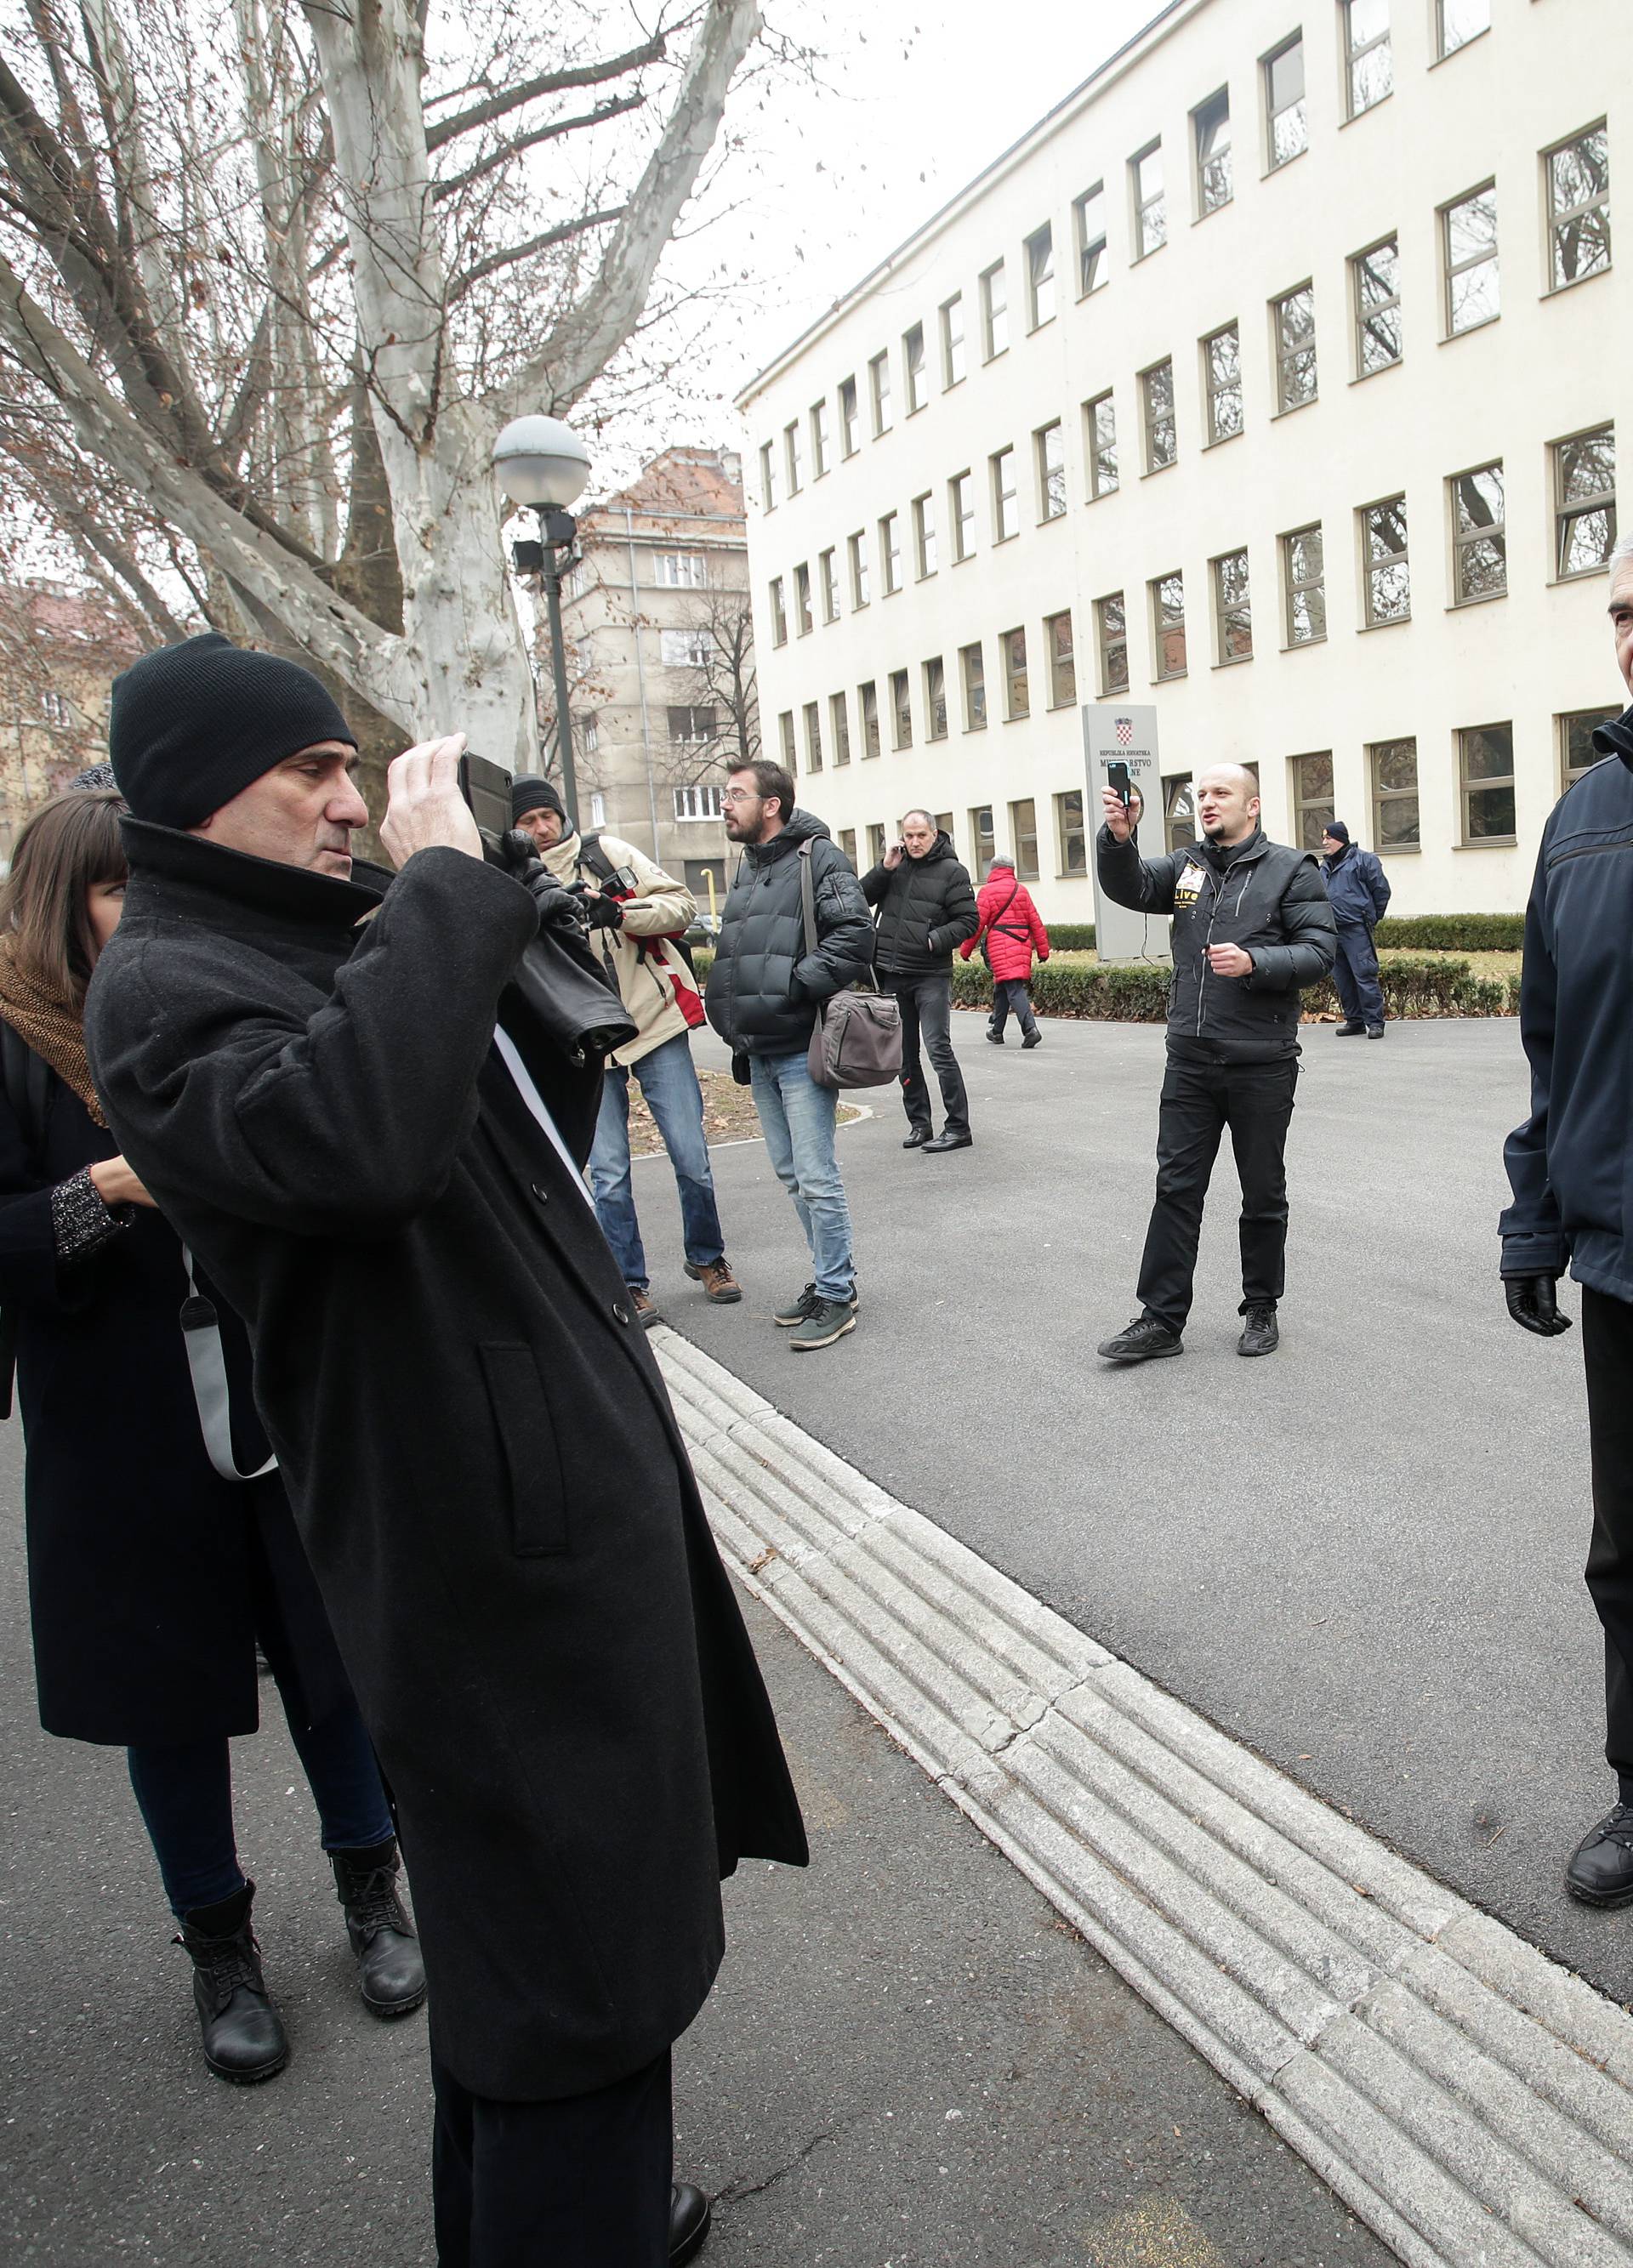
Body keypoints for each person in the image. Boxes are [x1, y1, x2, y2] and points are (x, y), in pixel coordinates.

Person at [86, 634, 806, 2268]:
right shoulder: (167, 984)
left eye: (351, 768)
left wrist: (495, 903)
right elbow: (354, 1142)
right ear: (207, 793)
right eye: (313, 773)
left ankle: (562, 2217)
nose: (352, 799)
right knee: (570, 1972)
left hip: (525, 1509)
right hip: (480, 1554)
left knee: (541, 1954)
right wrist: (431, 897)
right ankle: (578, 2220)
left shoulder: (290, 938)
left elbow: (504, 1071)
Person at [0, 787, 421, 2087]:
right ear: (61, 906)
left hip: (277, 1399)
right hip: (119, 1433)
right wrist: (104, 1186)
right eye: (123, 893)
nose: (145, 921)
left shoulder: (208, 999)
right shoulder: (17, 1042)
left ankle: (372, 1891)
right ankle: (219, 1946)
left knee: (334, 1659)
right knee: (163, 1701)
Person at [1500, 528, 1633, 1910]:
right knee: (1629, 1550)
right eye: (1622, 612)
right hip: (1624, 1257)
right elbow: (1551, 1041)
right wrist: (1534, 1221)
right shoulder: (1584, 814)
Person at [1094, 765, 1335, 1363]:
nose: (1207, 803)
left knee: (1262, 1191)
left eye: (1220, 793)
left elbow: (1319, 951)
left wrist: (1255, 961)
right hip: (1190, 1058)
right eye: (1200, 794)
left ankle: (1261, 1306)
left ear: (1252, 807)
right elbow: (1129, 887)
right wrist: (1119, 838)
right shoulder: (1186, 867)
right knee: (1176, 1188)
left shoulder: (1291, 869)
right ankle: (1161, 1318)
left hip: (1261, 1062)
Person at [509, 776, 741, 1327]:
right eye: (528, 821)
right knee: (608, 1171)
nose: (541, 828)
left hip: (652, 1022)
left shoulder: (605, 854)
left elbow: (680, 906)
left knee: (691, 1154)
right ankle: (629, 1283)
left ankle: (708, 1257)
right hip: (584, 1041)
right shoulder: (513, 880)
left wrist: (618, 912)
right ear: (514, 828)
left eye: (548, 815)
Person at [704, 757, 873, 1351]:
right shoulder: (750, 866)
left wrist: (795, 984)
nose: (725, 804)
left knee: (817, 1177)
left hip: (801, 1044)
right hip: (760, 1047)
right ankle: (831, 1279)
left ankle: (837, 1291)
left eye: (735, 795)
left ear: (770, 804)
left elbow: (854, 934)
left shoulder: (816, 856)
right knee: (792, 1175)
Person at [862, 810, 980, 1151]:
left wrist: (934, 940)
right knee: (904, 1055)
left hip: (930, 975)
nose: (914, 842)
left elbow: (969, 920)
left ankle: (958, 1127)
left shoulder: (952, 871)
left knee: (938, 1049)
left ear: (934, 834)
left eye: (921, 836)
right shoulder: (895, 866)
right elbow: (859, 897)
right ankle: (920, 1124)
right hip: (892, 973)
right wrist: (884, 867)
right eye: (909, 835)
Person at [960, 853, 1050, 1049]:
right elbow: (1035, 921)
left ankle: (1030, 1030)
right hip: (1021, 943)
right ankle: (996, 1031)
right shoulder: (1021, 890)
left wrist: (965, 950)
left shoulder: (987, 891)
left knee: (1013, 988)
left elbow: (977, 925)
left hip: (1000, 945)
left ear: (993, 869)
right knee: (1003, 988)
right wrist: (1043, 951)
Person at [1320, 821, 1391, 1038]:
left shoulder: (1364, 860)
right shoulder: (1325, 866)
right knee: (1342, 979)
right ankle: (1355, 1021)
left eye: (1328, 838)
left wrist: (1370, 917)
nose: (1324, 842)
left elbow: (1381, 891)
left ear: (1340, 838)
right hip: (1333, 931)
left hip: (1355, 929)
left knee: (1364, 975)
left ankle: (1375, 1023)